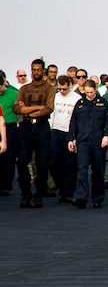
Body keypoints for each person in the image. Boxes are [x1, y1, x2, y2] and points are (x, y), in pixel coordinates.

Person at [14, 59, 54, 208]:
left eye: (38, 69)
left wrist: (27, 109)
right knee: (22, 161)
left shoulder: (49, 88)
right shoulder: (24, 89)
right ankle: (25, 193)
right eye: (34, 69)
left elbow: (48, 109)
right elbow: (17, 109)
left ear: (43, 70)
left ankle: (38, 194)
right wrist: (35, 109)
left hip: (42, 127)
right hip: (25, 127)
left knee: (42, 163)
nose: (36, 72)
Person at [67, 79, 108, 208]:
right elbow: (73, 122)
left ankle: (97, 198)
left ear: (95, 89)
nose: (89, 95)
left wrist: (107, 136)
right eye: (87, 92)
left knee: (98, 170)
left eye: (91, 92)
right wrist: (71, 138)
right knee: (82, 169)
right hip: (83, 141)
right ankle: (81, 196)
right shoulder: (80, 104)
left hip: (98, 141)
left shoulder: (103, 103)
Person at [49, 75, 81, 203]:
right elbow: (51, 114)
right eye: (60, 89)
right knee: (54, 163)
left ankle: (67, 192)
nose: (62, 91)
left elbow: (78, 119)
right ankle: (61, 186)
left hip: (69, 133)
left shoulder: (77, 99)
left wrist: (74, 137)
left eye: (64, 89)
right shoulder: (55, 97)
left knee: (70, 164)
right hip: (56, 131)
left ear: (70, 86)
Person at [0, 72, 17, 195]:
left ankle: (6, 185)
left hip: (11, 126)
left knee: (8, 156)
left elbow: (20, 108)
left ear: (2, 85)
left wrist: (19, 122)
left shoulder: (14, 93)